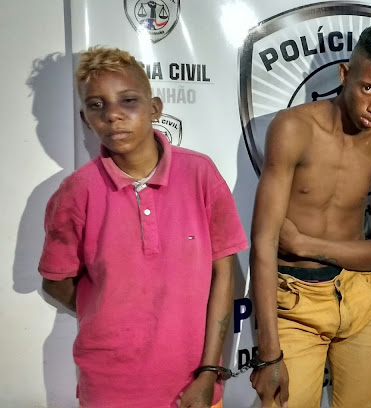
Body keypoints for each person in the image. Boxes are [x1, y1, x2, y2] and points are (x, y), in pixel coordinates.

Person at [38, 46, 247, 408]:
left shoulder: (199, 174)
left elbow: (223, 274)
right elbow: (55, 281)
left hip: (192, 385)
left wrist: (209, 371)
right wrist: (110, 311)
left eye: (128, 100)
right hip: (109, 388)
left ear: (155, 108)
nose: (113, 115)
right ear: (85, 118)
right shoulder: (76, 192)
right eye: (97, 105)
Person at [248, 25, 371, 408]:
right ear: (344, 74)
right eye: (368, 88)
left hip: (361, 297)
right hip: (296, 302)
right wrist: (269, 353)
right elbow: (264, 242)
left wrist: (304, 244)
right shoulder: (293, 128)